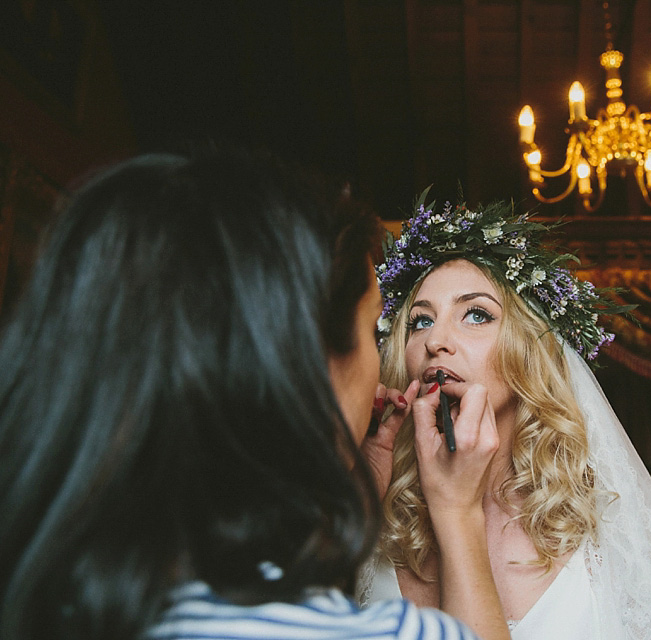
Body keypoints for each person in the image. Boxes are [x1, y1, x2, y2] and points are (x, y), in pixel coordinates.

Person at [0, 151, 510, 640]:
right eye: (381, 325)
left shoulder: (54, 586)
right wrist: (457, 512)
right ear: (308, 362)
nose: (433, 341)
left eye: (476, 314)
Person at [359, 191, 651, 640]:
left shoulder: (609, 535)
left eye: (476, 314)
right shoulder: (369, 524)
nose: (436, 341)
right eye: (420, 321)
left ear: (529, 351)